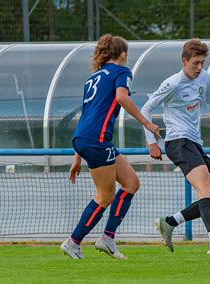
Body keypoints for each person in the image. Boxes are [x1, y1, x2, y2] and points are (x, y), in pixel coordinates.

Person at [60, 34, 160, 260]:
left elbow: (86, 114)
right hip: (97, 139)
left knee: (131, 183)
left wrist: (77, 158)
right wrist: (147, 123)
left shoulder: (93, 78)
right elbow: (122, 97)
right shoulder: (122, 72)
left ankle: (107, 238)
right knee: (105, 196)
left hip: (86, 138)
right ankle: (73, 242)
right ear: (123, 54)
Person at [141, 39, 210, 254]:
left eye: (202, 63)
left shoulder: (204, 77)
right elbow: (146, 109)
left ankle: (169, 222)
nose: (199, 67)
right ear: (184, 61)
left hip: (195, 143)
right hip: (178, 141)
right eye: (195, 63)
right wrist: (152, 142)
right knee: (205, 189)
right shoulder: (173, 83)